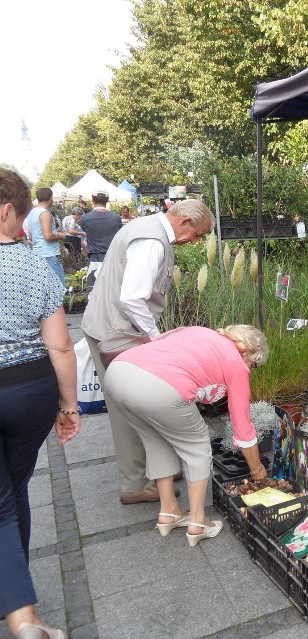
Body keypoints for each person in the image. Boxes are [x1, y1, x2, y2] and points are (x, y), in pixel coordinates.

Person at [81, 198, 214, 505]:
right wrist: (156, 338)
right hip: (117, 334)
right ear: (184, 222)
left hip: (111, 327)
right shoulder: (152, 241)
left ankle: (160, 470)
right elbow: (131, 298)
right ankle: (135, 484)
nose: (194, 243)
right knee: (128, 408)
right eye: (197, 235)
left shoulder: (143, 229)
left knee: (138, 403)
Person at [0, 169, 79, 639]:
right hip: (29, 391)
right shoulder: (32, 266)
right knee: (13, 490)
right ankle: (19, 599)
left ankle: (20, 613)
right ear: (8, 210)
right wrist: (69, 405)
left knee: (3, 500)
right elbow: (62, 347)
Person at [104, 325, 269, 546]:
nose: (251, 369)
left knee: (156, 440)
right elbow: (242, 425)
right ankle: (198, 522)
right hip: (158, 386)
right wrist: (258, 471)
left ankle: (169, 511)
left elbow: (157, 342)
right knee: (198, 445)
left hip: (118, 373)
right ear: (249, 352)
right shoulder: (237, 363)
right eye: (255, 365)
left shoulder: (199, 331)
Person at [78, 191, 122, 290]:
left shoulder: (85, 218)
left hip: (94, 258)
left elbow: (83, 239)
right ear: (107, 200)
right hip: (112, 259)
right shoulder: (116, 218)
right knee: (113, 291)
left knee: (93, 292)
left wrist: (86, 247)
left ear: (92, 200)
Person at [25, 188, 66, 284]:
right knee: (58, 287)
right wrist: (60, 235)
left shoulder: (31, 213)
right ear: (50, 198)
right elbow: (48, 236)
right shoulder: (45, 213)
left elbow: (31, 236)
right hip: (49, 255)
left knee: (43, 287)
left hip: (37, 253)